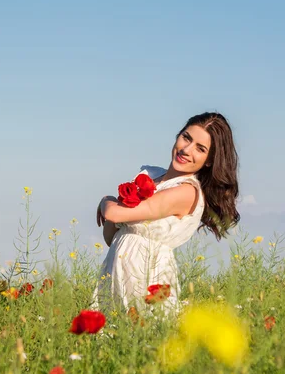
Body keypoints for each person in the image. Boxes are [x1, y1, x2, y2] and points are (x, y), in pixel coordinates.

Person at [91, 112, 240, 318]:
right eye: (186, 138)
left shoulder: (187, 191)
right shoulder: (150, 177)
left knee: (144, 340)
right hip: (116, 272)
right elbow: (112, 237)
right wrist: (114, 213)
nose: (187, 150)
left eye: (200, 148)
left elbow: (113, 213)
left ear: (209, 161)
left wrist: (105, 200)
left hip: (147, 277)